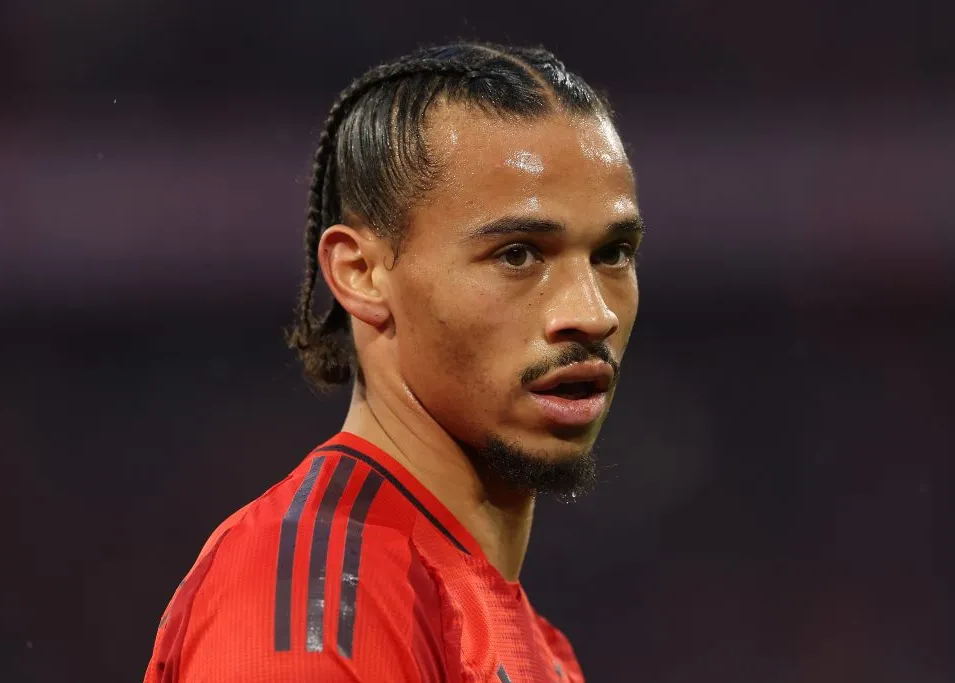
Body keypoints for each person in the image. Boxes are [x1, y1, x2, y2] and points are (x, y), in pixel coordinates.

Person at [143, 41, 642, 682]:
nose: (593, 314)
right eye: (518, 254)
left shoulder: (538, 650)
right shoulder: (321, 601)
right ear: (361, 274)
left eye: (613, 254)